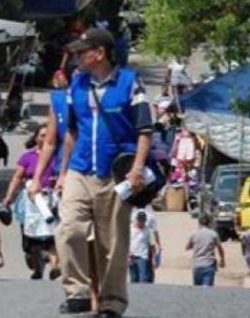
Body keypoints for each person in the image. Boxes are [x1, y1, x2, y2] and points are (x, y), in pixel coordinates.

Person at [35, 28, 152, 318]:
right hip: (80, 168)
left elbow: (144, 130)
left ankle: (112, 301)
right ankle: (78, 293)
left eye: (81, 51)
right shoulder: (77, 84)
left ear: (99, 53)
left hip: (116, 174)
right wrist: (63, 171)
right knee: (69, 229)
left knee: (111, 242)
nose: (76, 57)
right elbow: (71, 132)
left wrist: (137, 168)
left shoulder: (129, 83)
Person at [2, 125, 60, 280]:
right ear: (36, 138)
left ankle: (54, 266)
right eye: (42, 135)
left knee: (53, 235)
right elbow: (17, 178)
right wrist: (8, 197)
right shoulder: (27, 157)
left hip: (51, 199)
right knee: (31, 239)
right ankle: (37, 267)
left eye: (48, 135)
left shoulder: (58, 156)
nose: (45, 138)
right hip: (30, 201)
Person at [186, 214, 225, 286]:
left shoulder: (194, 234)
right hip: (209, 265)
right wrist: (222, 260)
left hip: (197, 265)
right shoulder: (213, 234)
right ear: (209, 223)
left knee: (198, 289)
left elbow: (187, 247)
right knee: (207, 290)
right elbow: (220, 249)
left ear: (199, 223)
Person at [127, 210, 161, 283]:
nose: (141, 222)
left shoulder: (147, 231)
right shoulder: (130, 229)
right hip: (132, 256)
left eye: (143, 220)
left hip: (142, 257)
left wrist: (153, 259)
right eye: (140, 220)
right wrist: (127, 255)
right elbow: (126, 242)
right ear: (137, 220)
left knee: (142, 278)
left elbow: (152, 246)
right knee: (133, 278)